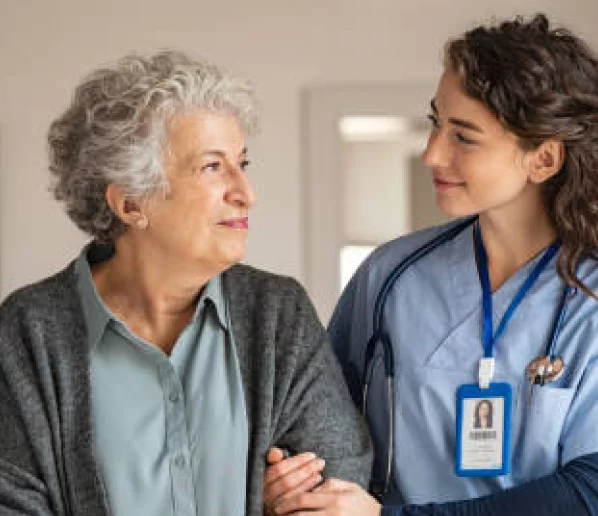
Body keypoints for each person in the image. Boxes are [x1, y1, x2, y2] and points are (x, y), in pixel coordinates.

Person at [0, 50, 372, 516]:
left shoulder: (278, 313)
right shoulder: (28, 331)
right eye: (213, 167)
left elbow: (337, 485)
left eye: (242, 162)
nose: (246, 193)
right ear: (132, 203)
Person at [264, 13, 598, 515]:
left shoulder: (589, 299)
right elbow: (314, 427)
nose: (431, 154)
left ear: (544, 159)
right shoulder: (390, 276)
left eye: (464, 136)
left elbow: (587, 492)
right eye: (435, 123)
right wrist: (290, 484)